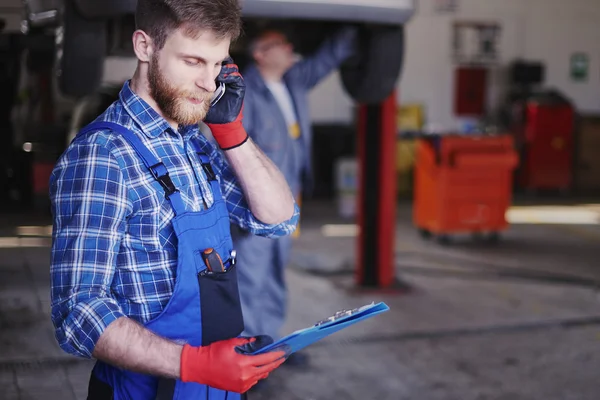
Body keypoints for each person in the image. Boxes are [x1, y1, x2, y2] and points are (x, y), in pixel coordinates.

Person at [48, 1, 299, 399]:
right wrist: (195, 365)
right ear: (145, 47)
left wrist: (232, 134)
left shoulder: (194, 144)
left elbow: (278, 218)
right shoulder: (104, 155)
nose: (209, 83)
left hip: (217, 389)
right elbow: (78, 312)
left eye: (218, 65)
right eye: (193, 61)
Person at [233, 26, 357, 366]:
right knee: (250, 277)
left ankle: (270, 346)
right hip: (255, 206)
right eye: (280, 45)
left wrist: (354, 28)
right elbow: (237, 152)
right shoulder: (246, 91)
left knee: (274, 272)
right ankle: (247, 355)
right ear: (260, 54)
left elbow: (325, 60)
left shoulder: (294, 82)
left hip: (288, 201)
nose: (290, 48)